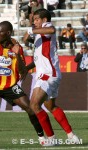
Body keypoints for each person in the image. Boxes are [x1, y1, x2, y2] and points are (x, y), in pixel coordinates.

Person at [23, 8, 80, 146]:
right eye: (34, 19)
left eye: (37, 19)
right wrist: (25, 69)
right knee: (51, 106)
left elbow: (51, 30)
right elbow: (37, 58)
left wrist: (31, 30)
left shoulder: (47, 27)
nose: (34, 22)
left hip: (48, 74)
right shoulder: (39, 37)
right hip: (48, 74)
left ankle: (51, 139)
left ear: (44, 20)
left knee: (34, 104)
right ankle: (71, 136)